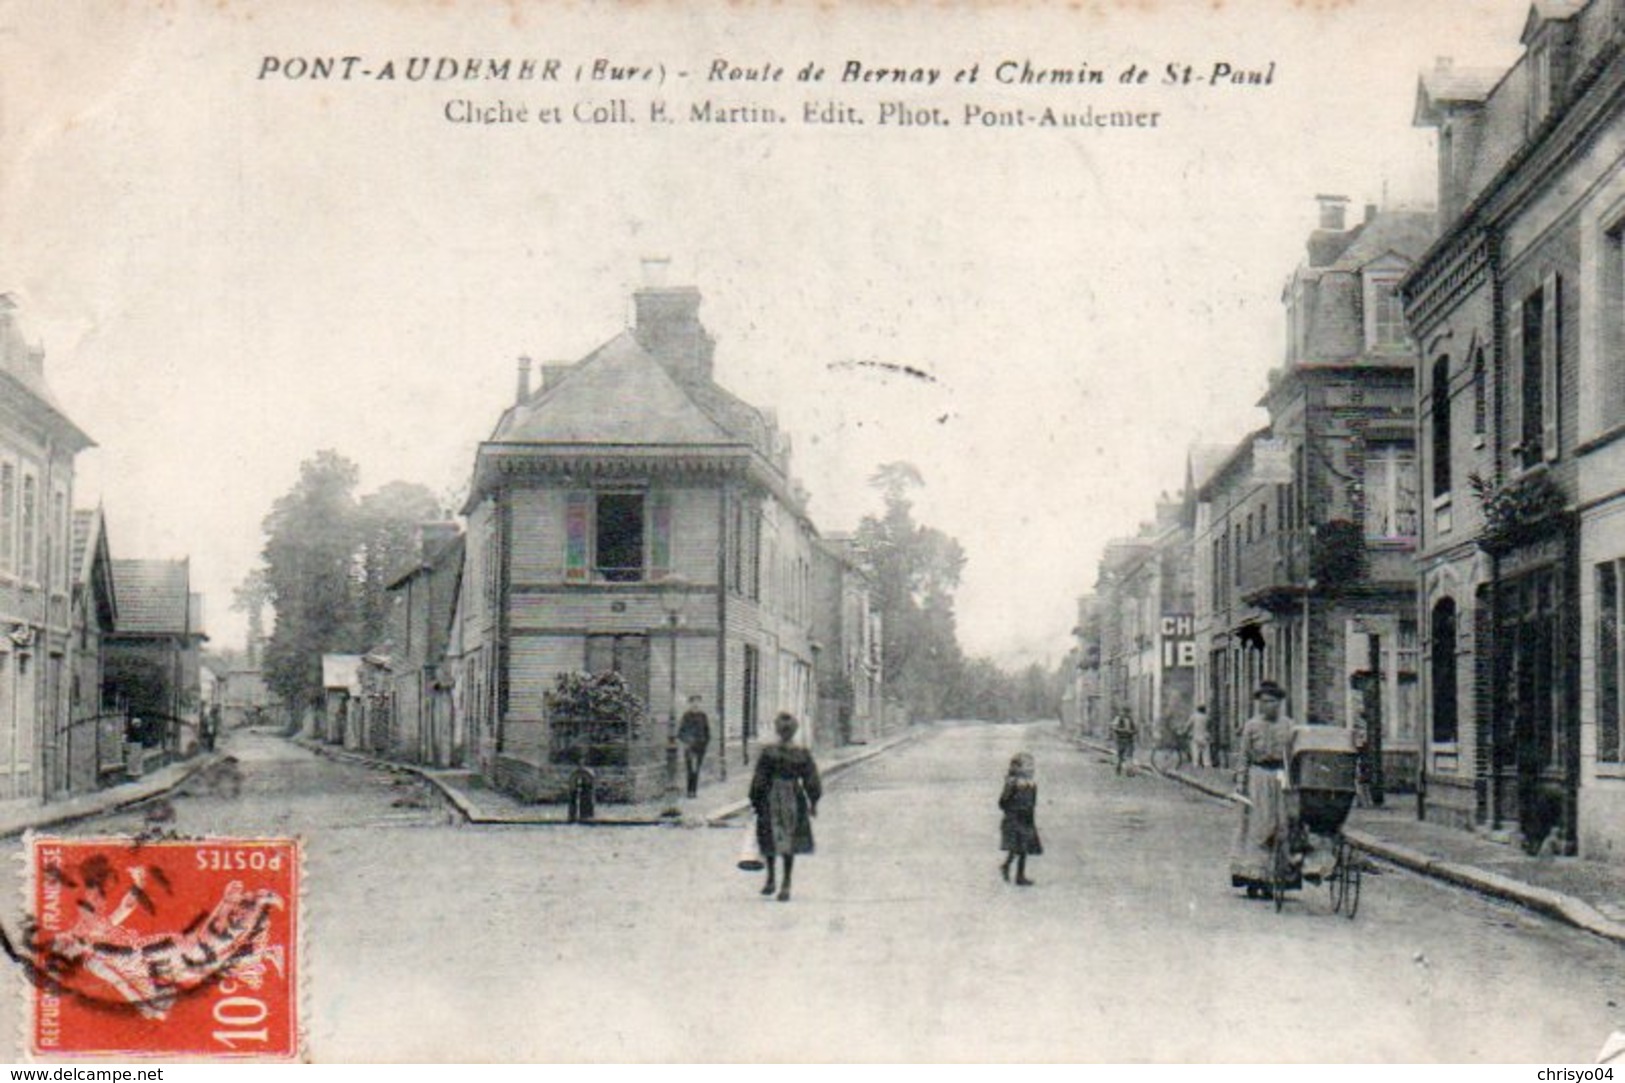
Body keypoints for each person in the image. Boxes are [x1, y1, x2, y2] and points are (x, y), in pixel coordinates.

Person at [1229, 680, 1298, 897]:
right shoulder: (1251, 726)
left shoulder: (1288, 726)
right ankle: (1252, 877)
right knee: (1257, 826)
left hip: (1280, 775)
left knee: (1281, 825)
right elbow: (1244, 756)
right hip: (1257, 777)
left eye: (1272, 702)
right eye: (1263, 702)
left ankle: (1274, 878)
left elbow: (1295, 756)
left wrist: (1293, 782)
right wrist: (1241, 784)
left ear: (1280, 703)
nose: (1267, 706)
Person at [750, 712, 822, 902]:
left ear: (776, 730)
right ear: (795, 731)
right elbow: (812, 780)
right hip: (794, 798)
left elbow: (759, 780)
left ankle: (771, 879)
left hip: (770, 797)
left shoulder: (768, 752)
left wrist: (756, 801)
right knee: (789, 839)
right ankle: (786, 883)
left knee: (769, 837)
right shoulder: (802, 753)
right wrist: (813, 802)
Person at [998, 752, 1042, 886]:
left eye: (1031, 766)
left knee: (1024, 848)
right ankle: (1014, 872)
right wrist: (1011, 811)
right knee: (1018, 846)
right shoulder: (1012, 783)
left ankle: (1016, 873)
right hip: (1014, 818)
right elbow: (1002, 801)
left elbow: (1033, 803)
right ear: (1017, 768)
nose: (1030, 769)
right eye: (1026, 766)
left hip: (1027, 819)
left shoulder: (1032, 784)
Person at [677, 694, 711, 798]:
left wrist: (705, 743)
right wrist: (687, 741)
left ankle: (694, 790)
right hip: (690, 747)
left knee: (696, 769)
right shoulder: (686, 716)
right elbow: (680, 732)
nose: (695, 704)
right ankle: (689, 791)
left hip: (700, 747)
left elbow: (707, 731)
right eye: (693, 702)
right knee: (690, 769)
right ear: (690, 703)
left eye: (698, 702)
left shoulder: (703, 716)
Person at [1111, 708, 1136, 775]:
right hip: (1121, 740)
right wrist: (1123, 730)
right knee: (1120, 756)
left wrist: (1133, 732)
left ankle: (1129, 771)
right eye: (1125, 712)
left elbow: (1134, 729)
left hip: (1129, 740)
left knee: (1129, 755)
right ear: (1122, 712)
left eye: (1128, 712)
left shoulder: (1130, 719)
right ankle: (1118, 768)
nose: (1126, 714)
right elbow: (1114, 728)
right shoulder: (1118, 718)